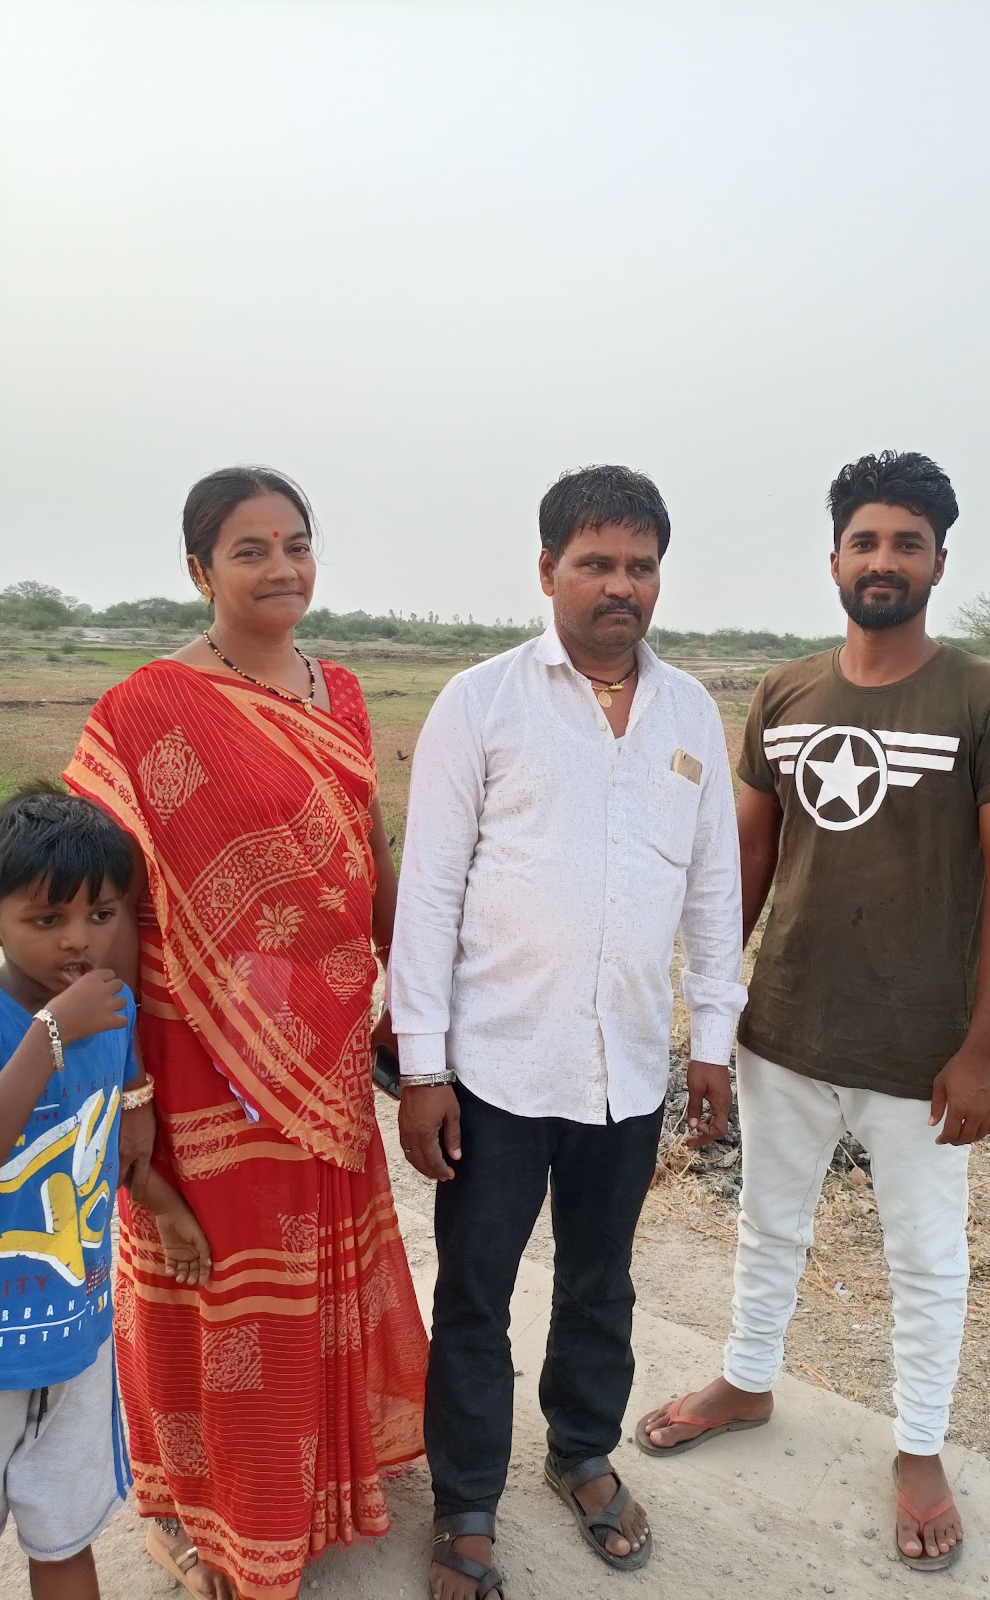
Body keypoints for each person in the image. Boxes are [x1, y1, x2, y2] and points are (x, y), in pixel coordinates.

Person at [637, 451, 990, 1573]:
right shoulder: (786, 693)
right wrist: (713, 1018)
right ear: (834, 560)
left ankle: (919, 1447)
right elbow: (745, 864)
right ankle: (747, 1380)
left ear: (939, 563)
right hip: (784, 1028)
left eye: (907, 543)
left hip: (922, 1052)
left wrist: (983, 1052)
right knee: (769, 1222)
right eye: (865, 541)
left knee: (925, 1257)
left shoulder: (988, 702)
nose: (884, 560)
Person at [63, 467, 428, 1600]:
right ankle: (199, 1509)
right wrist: (126, 1086)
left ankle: (313, 1491)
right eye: (251, 550)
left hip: (323, 1046)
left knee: (307, 1273)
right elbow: (105, 913)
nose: (281, 568)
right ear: (199, 569)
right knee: (210, 1283)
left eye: (296, 544)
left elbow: (368, 850)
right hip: (198, 1053)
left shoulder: (344, 692)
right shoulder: (141, 710)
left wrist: (411, 1001)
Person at [385, 465, 746, 1600]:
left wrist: (711, 1041)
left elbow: (713, 892)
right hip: (494, 1067)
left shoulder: (690, 713)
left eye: (641, 565)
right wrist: (424, 1067)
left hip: (625, 1068)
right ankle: (466, 1503)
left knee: (602, 1283)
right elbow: (428, 895)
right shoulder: (481, 703)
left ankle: (581, 1451)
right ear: (548, 571)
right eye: (596, 563)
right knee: (475, 1295)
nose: (620, 585)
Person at [0, 785, 212, 1600]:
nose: (78, 940)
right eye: (46, 918)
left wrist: (163, 1206)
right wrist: (52, 1033)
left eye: (101, 914)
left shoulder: (108, 1016)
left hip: (76, 1342)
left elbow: (94, 1148)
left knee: (65, 1539)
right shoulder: (33, 1023)